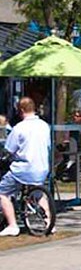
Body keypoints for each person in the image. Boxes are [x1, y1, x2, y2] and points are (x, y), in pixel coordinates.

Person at [0, 97, 50, 237]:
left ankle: (12, 225)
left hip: (23, 169)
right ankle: (50, 223)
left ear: (20, 110)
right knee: (39, 194)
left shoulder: (19, 128)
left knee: (2, 193)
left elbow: (9, 149)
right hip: (41, 167)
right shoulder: (44, 126)